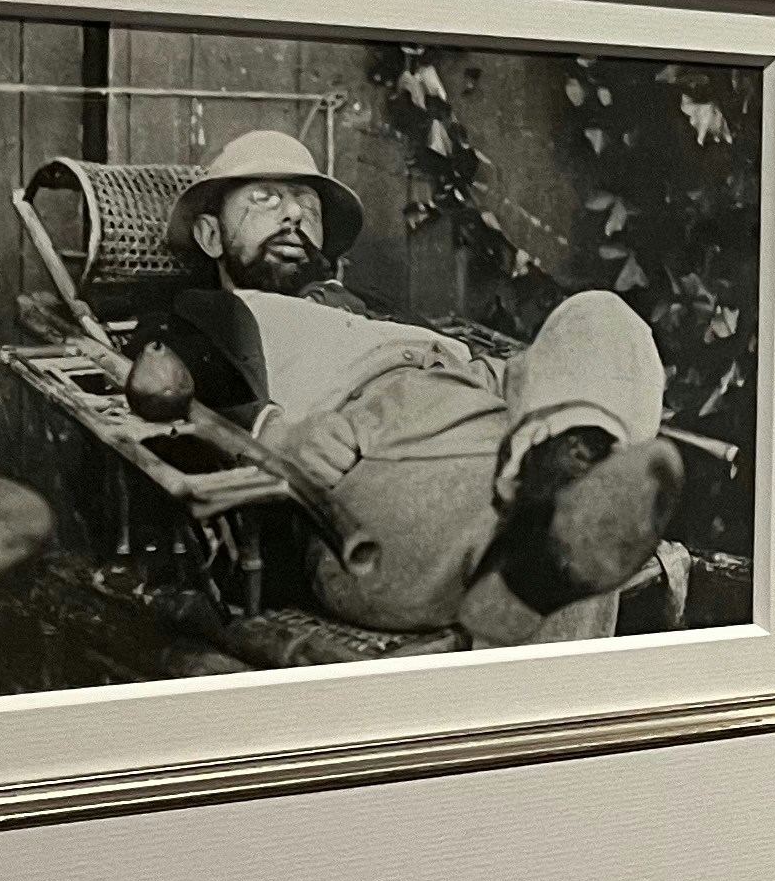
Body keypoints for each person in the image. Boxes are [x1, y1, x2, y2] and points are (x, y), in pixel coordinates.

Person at [149, 131, 682, 644]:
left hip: (495, 405)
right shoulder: (203, 315)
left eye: (307, 205)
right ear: (211, 235)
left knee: (600, 314)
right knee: (567, 513)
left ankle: (563, 468)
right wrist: (277, 435)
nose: (293, 214)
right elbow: (170, 389)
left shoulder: (369, 305)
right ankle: (556, 507)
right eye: (265, 199)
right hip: (381, 446)